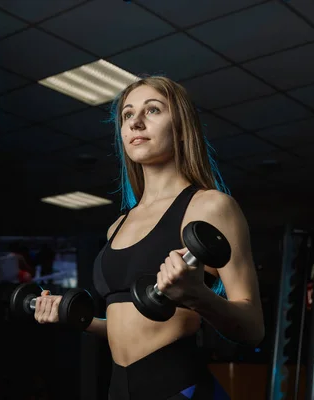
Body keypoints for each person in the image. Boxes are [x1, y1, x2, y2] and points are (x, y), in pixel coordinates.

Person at [33, 76, 264, 400]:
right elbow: (127, 322)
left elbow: (253, 329)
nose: (136, 122)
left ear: (181, 126)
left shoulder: (211, 206)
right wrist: (77, 317)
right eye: (127, 115)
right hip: (119, 390)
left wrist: (197, 295)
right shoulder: (119, 225)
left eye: (152, 110)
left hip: (180, 389)